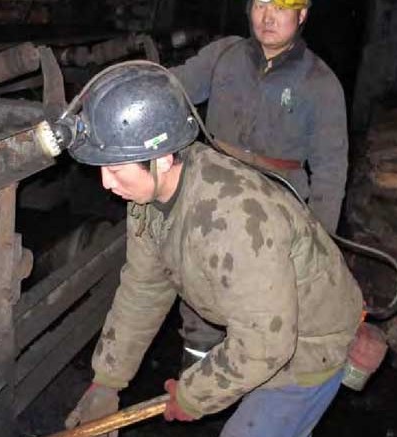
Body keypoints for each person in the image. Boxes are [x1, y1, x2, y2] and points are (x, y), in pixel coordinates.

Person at [62, 62, 362, 436]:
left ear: (162, 158)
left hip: (309, 342)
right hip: (264, 323)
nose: (106, 184)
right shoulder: (147, 196)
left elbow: (265, 344)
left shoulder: (233, 220)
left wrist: (194, 395)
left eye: (117, 171)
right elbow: (143, 287)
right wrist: (106, 381)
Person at [168, 0, 350, 366]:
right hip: (211, 204)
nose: (268, 17)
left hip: (274, 217)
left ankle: (251, 394)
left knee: (260, 311)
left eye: (283, 7)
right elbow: (174, 85)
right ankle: (197, 385)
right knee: (200, 303)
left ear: (302, 15)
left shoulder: (320, 83)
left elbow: (330, 171)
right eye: (261, 3)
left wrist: (318, 244)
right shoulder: (224, 56)